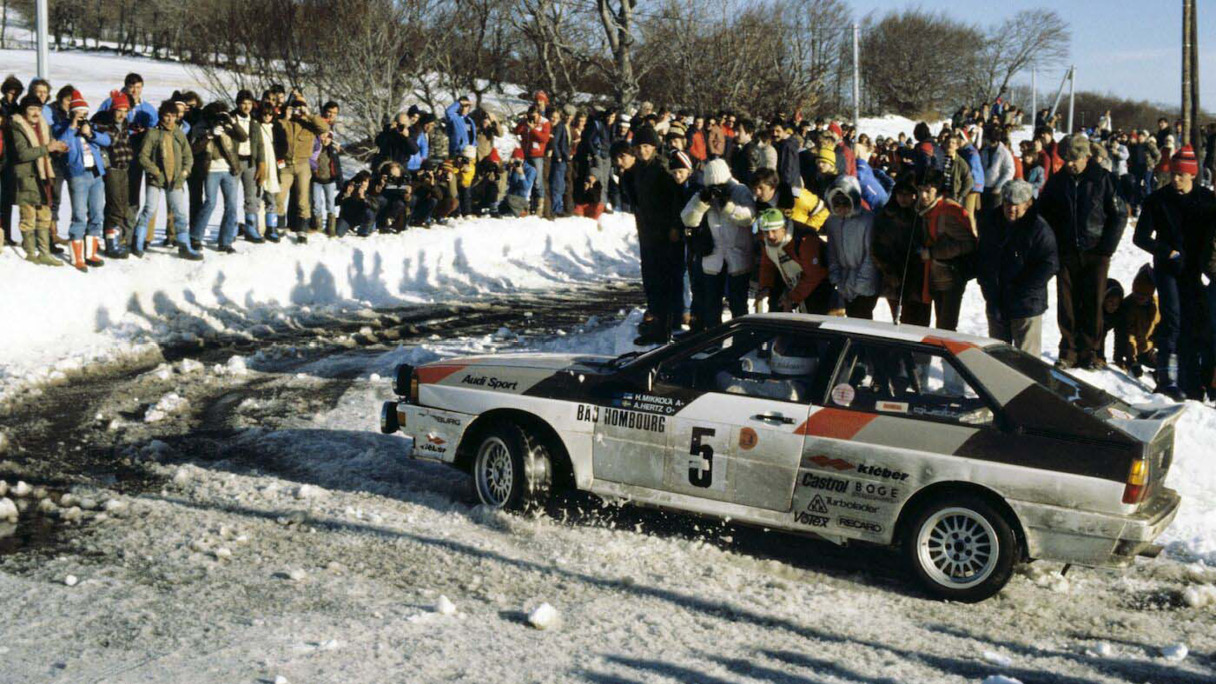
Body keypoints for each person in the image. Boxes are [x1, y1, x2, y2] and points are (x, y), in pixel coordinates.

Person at [1132, 145, 1215, 399]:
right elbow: (1140, 237)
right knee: (1172, 319)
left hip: (1194, 269)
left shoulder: (1206, 200)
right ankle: (1167, 378)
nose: (1175, 179)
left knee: (1192, 322)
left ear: (1192, 175)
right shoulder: (1158, 200)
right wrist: (1163, 250)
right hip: (1167, 268)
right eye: (1173, 174)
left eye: (1181, 174)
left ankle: (1191, 382)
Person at [1038, 137, 1127, 370]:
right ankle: (1068, 350)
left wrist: (1106, 248)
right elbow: (1044, 214)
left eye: (1074, 159)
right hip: (1066, 251)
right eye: (1066, 159)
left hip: (1096, 251)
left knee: (1093, 301)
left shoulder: (1104, 180)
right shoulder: (1057, 182)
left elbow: (1119, 214)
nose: (1070, 164)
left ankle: (1091, 351)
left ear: (1087, 157)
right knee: (1066, 304)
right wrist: (1052, 244)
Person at [976, 179, 1059, 356]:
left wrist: (1023, 289)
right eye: (1007, 203)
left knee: (1027, 361)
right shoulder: (991, 222)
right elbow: (982, 256)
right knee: (998, 357)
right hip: (997, 301)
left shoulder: (1038, 229)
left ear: (1028, 204)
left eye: (1016, 205)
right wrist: (986, 283)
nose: (1010, 209)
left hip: (1025, 304)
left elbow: (1049, 263)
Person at [626, 126, 684, 345]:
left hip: (664, 231)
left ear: (654, 147)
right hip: (647, 231)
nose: (642, 151)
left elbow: (675, 200)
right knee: (650, 277)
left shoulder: (662, 168)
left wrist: (674, 227)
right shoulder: (638, 169)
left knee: (665, 280)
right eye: (638, 147)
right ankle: (655, 322)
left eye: (646, 147)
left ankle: (667, 327)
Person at [681, 158, 756, 326]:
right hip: (714, 255)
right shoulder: (704, 193)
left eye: (721, 186)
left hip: (738, 253)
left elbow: (749, 217)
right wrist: (702, 203)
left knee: (738, 304)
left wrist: (728, 205)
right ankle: (714, 341)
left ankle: (741, 340)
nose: (717, 190)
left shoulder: (740, 190)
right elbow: (687, 219)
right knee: (712, 304)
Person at [53, 89, 111, 271]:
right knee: (79, 214)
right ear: (71, 113)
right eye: (79, 114)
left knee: (97, 213)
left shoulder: (90, 127)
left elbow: (107, 141)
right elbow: (62, 142)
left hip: (96, 174)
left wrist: (90, 134)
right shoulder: (62, 127)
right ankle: (77, 256)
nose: (82, 117)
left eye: (85, 113)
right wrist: (72, 125)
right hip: (78, 175)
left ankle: (90, 253)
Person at [914, 167, 976, 331]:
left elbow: (969, 243)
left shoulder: (949, 211)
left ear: (938, 190)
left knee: (946, 327)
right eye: (920, 190)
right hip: (933, 276)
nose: (923, 196)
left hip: (951, 277)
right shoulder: (923, 209)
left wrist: (934, 252)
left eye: (928, 191)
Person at [9, 94, 68, 266]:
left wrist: (58, 148)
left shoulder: (43, 125)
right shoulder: (17, 126)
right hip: (27, 175)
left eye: (39, 109)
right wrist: (47, 148)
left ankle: (44, 253)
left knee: (45, 215)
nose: (36, 113)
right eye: (32, 109)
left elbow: (47, 146)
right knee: (28, 216)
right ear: (24, 110)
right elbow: (22, 154)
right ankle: (30, 253)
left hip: (44, 175)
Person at [132, 100, 195, 259]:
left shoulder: (179, 134)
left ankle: (184, 245)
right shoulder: (153, 133)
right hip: (156, 179)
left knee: (180, 213)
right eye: (167, 116)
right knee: (149, 209)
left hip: (176, 180)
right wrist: (156, 172)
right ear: (161, 116)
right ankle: (138, 242)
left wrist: (184, 173)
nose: (170, 119)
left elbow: (188, 156)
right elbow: (143, 157)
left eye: (173, 116)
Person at [189, 102, 247, 253]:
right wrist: (209, 135)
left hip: (229, 169)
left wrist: (232, 122)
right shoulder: (200, 127)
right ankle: (195, 237)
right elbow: (193, 149)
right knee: (210, 203)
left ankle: (225, 241)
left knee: (232, 206)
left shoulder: (228, 126)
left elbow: (243, 137)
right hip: (211, 169)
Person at [872, 175, 930, 325]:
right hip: (894, 276)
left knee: (921, 321)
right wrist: (888, 272)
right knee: (901, 320)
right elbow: (877, 248)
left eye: (908, 195)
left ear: (914, 196)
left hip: (918, 277)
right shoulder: (885, 216)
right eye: (900, 194)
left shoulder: (922, 215)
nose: (904, 198)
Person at [753, 207, 832, 315]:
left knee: (814, 318)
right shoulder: (767, 240)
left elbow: (814, 275)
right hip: (792, 281)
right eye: (766, 232)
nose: (770, 236)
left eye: (774, 231)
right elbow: (768, 264)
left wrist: (792, 297)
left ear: (784, 228)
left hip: (818, 285)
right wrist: (765, 286)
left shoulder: (804, 240)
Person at [824, 175, 880, 318]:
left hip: (864, 283)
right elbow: (832, 253)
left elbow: (871, 256)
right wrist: (836, 279)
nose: (841, 207)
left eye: (845, 202)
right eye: (836, 203)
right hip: (844, 281)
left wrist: (860, 285)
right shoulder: (832, 222)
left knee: (862, 320)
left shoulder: (867, 221)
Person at [274, 98, 329, 242]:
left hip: (303, 165)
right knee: (279, 196)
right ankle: (280, 226)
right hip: (285, 165)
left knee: (303, 199)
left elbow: (324, 128)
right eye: (294, 108)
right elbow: (275, 129)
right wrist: (285, 116)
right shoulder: (284, 123)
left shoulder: (309, 125)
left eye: (300, 109)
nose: (297, 111)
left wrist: (309, 115)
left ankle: (302, 230)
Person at [91, 91, 134, 258]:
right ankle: (111, 244)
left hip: (124, 168)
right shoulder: (104, 124)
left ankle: (116, 238)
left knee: (122, 206)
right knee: (115, 206)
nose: (122, 114)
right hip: (112, 168)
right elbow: (101, 142)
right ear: (112, 110)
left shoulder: (124, 125)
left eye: (125, 111)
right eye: (119, 110)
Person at [1111, 265, 1159, 378]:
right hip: (1134, 351)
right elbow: (1124, 335)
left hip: (1150, 349)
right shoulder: (1127, 306)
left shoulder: (1156, 306)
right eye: (1136, 294)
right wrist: (1130, 359)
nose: (1139, 299)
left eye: (1143, 296)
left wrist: (1155, 348)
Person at [749, 167, 829, 233]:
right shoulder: (760, 207)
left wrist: (807, 230)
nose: (757, 193)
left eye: (761, 188)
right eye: (755, 189)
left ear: (772, 186)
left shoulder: (795, 195)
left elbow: (823, 210)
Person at [310, 130, 344, 236]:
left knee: (330, 204)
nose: (325, 140)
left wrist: (340, 181)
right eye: (323, 137)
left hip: (329, 181)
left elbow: (337, 166)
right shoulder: (315, 149)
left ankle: (331, 227)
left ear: (331, 139)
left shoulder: (333, 151)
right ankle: (318, 226)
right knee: (316, 203)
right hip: (316, 180)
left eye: (328, 137)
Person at [548, 106, 571, 217]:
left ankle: (558, 207)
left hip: (560, 159)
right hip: (560, 158)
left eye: (556, 117)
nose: (554, 119)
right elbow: (555, 143)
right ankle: (557, 207)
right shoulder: (559, 127)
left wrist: (558, 156)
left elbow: (555, 143)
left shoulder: (558, 127)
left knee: (558, 183)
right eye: (552, 117)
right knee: (558, 183)